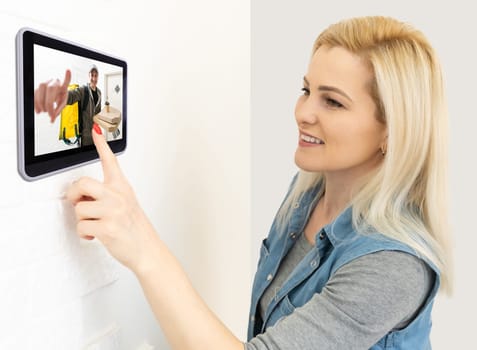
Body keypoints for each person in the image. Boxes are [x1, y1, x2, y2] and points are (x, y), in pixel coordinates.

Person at [34, 16, 452, 350]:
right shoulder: (306, 194)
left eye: (333, 101)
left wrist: (142, 245)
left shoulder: (394, 266)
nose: (303, 112)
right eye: (306, 90)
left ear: (392, 131)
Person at [34, 64, 102, 146]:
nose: (94, 78)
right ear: (88, 75)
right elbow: (72, 96)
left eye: (96, 75)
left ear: (98, 76)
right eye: (92, 75)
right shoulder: (83, 90)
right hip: (85, 138)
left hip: (96, 136)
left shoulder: (99, 93)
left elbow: (98, 113)